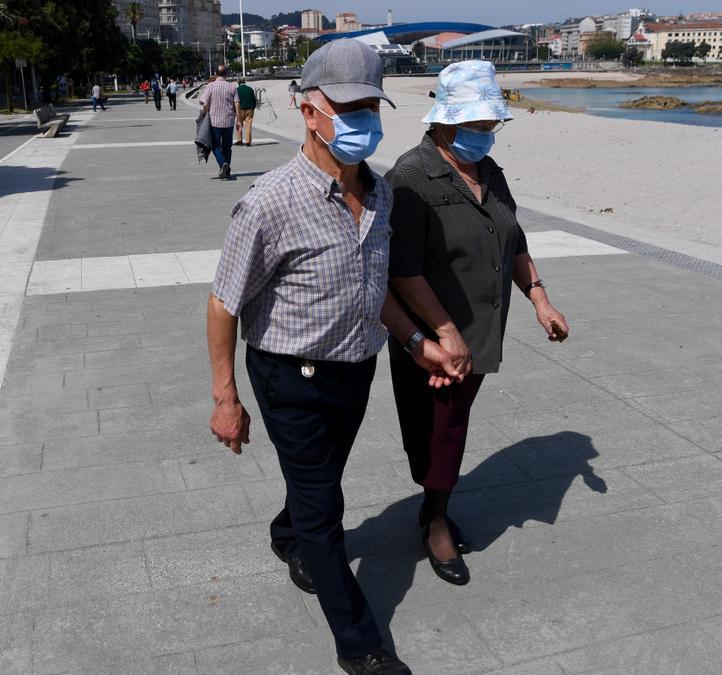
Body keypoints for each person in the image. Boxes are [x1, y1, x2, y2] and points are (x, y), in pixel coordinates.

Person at [208, 39, 457, 675]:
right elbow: (223, 304)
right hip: (289, 375)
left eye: (371, 105)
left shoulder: (379, 197)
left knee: (318, 483)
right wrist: (225, 397)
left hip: (356, 369)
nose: (362, 120)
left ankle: (289, 532)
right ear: (307, 111)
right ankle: (361, 644)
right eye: (347, 107)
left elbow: (375, 293)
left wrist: (416, 344)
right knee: (327, 509)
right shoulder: (268, 203)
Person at [386, 61, 570, 587]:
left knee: (450, 428)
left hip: (482, 330)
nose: (485, 134)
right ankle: (435, 516)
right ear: (445, 120)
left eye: (491, 125)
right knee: (437, 430)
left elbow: (514, 237)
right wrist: (442, 334)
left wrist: (540, 300)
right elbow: (402, 269)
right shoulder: (411, 176)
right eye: (477, 125)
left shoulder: (490, 172)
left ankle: (433, 505)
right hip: (432, 337)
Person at [197, 65, 239, 180]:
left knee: (215, 145)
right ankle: (227, 169)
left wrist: (206, 113)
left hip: (215, 121)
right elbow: (237, 104)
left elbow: (204, 103)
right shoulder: (232, 87)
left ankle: (223, 164)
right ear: (226, 74)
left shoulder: (210, 86)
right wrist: (239, 120)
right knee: (227, 146)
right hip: (229, 121)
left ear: (215, 74)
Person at [234, 77, 256, 146]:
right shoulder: (250, 89)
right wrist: (253, 108)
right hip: (250, 109)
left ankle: (239, 140)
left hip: (240, 109)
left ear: (238, 82)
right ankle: (248, 141)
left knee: (239, 124)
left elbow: (235, 101)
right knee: (248, 126)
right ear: (244, 82)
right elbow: (254, 100)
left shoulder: (237, 90)